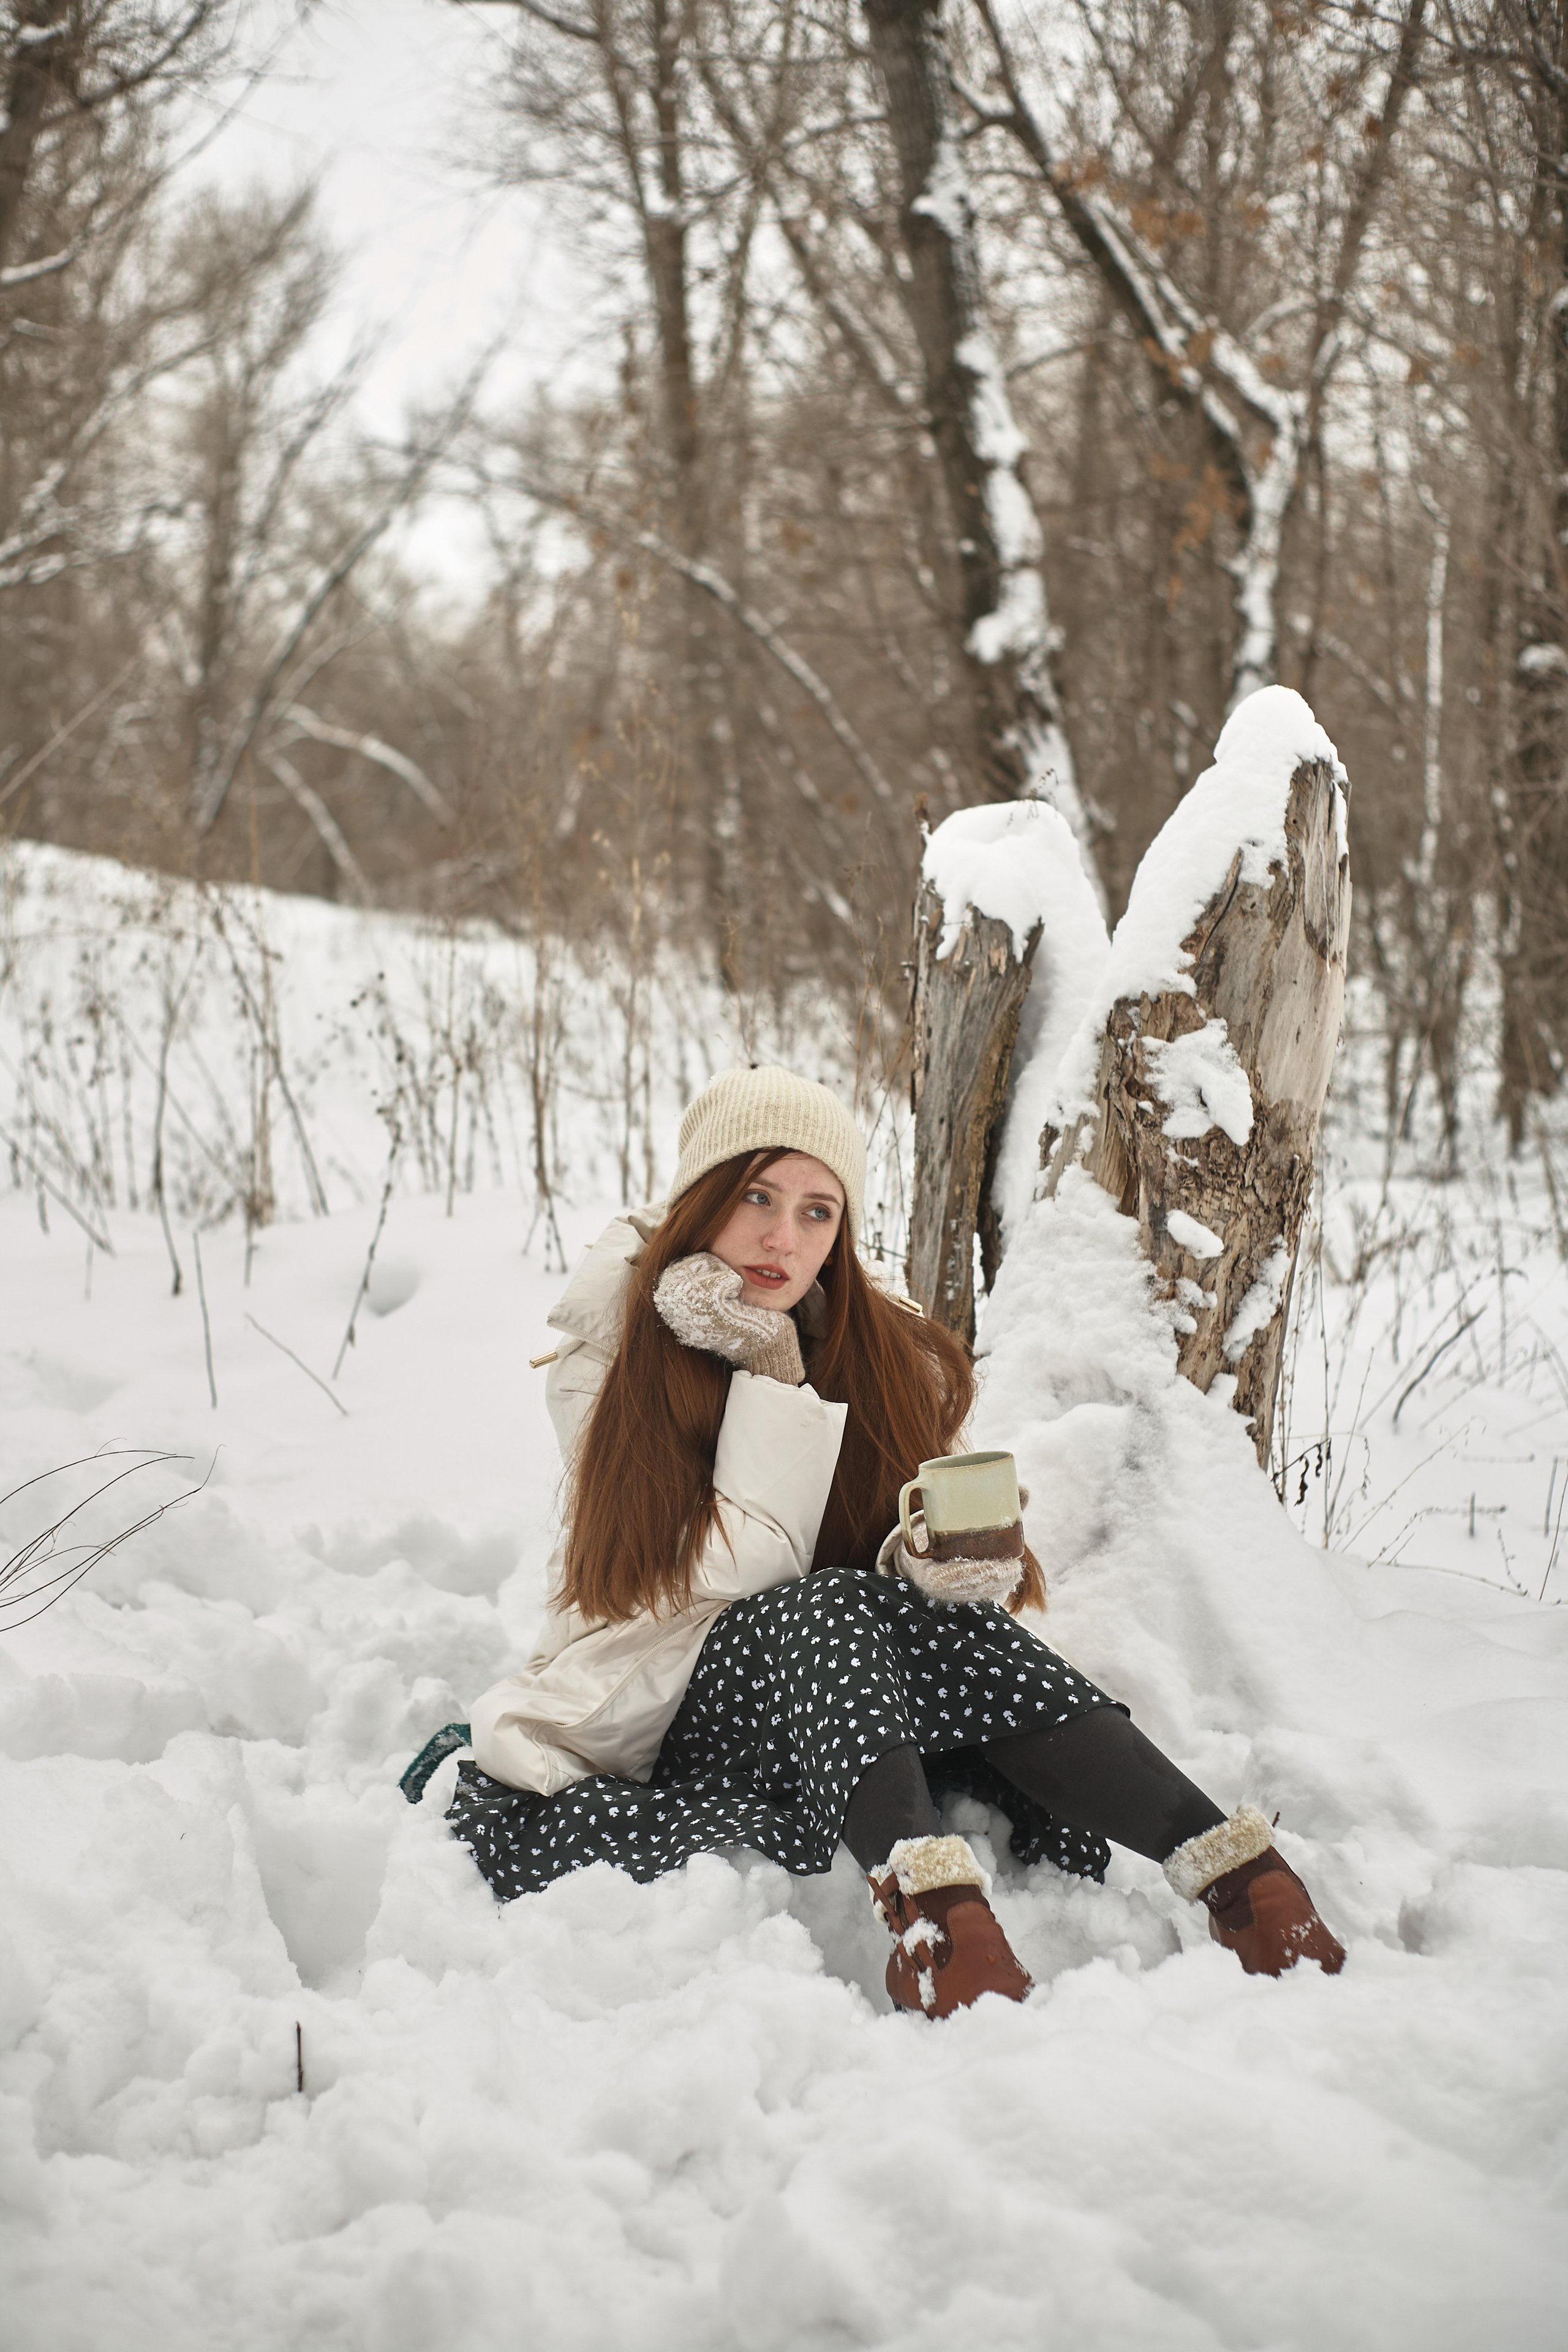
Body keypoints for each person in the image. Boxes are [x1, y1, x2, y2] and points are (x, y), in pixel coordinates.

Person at [451, 1066, 1344, 2017]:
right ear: (702, 1197)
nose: (784, 1238)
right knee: (826, 1605)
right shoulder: (605, 1354)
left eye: (818, 1212)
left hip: (830, 1690)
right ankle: (937, 1930)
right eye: (756, 1197)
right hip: (663, 1699)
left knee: (932, 1620)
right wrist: (770, 1371)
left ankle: (1244, 1883)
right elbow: (731, 1570)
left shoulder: (869, 1341)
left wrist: (928, 1562)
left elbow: (865, 1555)